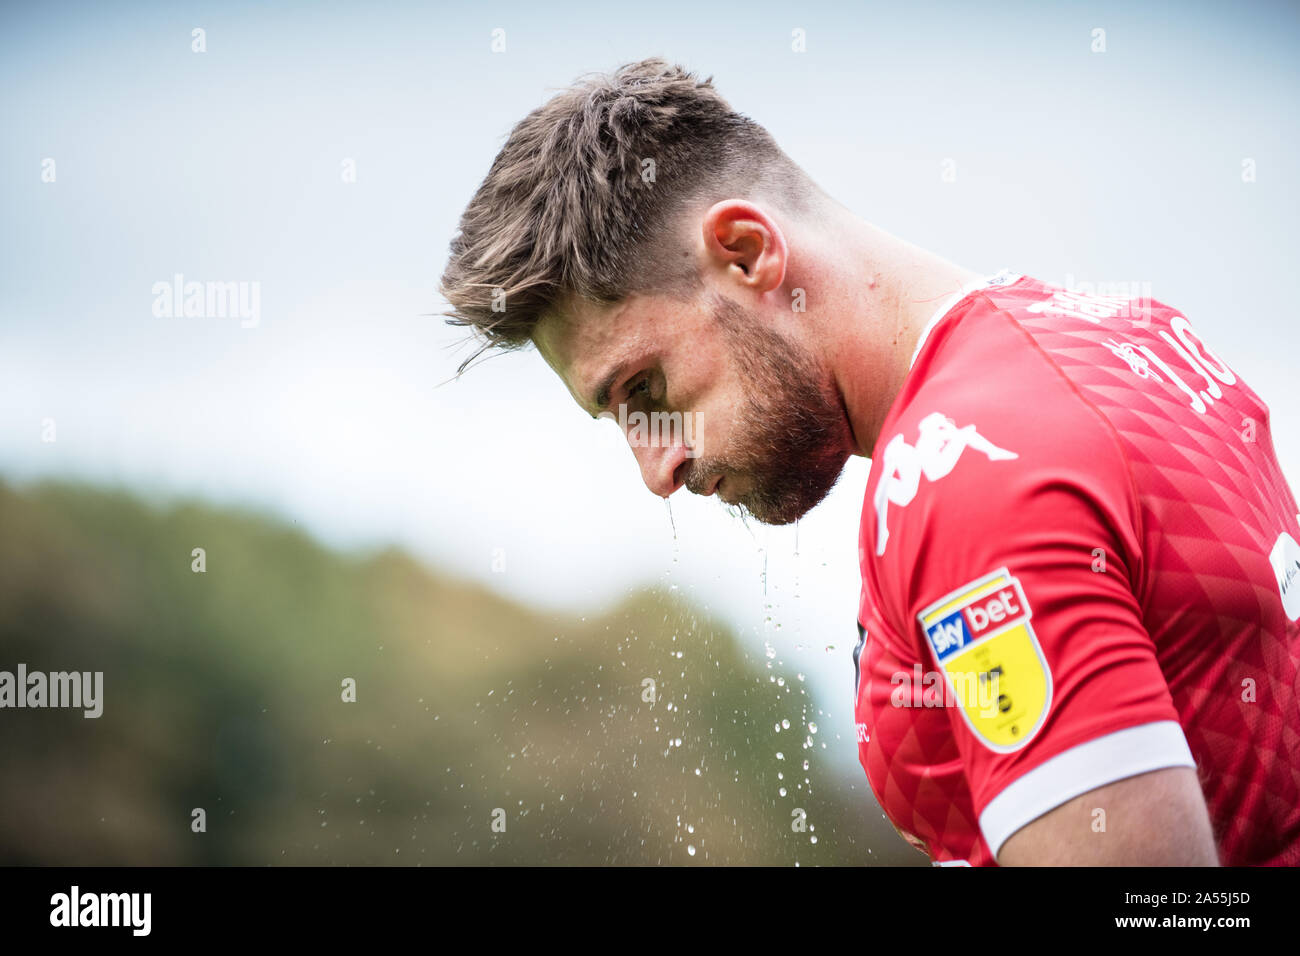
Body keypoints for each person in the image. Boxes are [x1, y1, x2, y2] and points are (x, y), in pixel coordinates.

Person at [439, 58, 1300, 865]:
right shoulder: (1129, 333)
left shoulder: (967, 470)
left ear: (746, 252)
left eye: (645, 390)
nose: (654, 469)